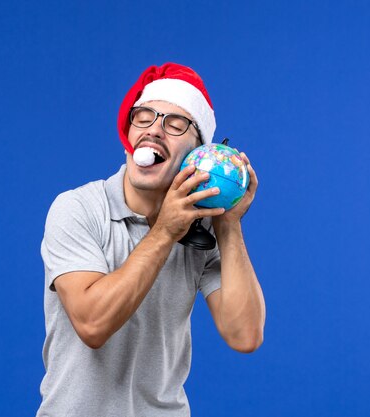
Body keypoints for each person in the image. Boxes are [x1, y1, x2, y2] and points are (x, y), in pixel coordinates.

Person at [37, 63, 266, 416]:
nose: (155, 130)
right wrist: (164, 232)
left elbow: (245, 335)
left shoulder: (201, 230)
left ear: (196, 154)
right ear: (128, 136)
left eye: (175, 125)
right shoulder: (77, 209)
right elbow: (92, 324)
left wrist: (229, 225)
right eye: (144, 117)